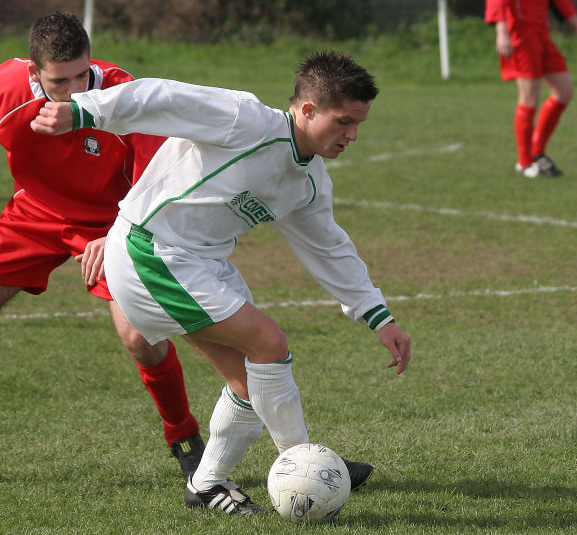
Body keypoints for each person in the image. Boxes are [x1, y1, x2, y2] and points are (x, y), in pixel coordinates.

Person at [31, 50, 411, 515]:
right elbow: (164, 97)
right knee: (269, 343)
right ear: (307, 110)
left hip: (199, 264)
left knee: (250, 380)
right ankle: (295, 465)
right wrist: (86, 110)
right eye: (343, 122)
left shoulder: (308, 182)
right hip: (150, 249)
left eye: (357, 126)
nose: (351, 136)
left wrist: (379, 316)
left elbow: (329, 249)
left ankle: (227, 481)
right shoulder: (245, 120)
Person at [0, 11, 204, 483]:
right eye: (59, 80)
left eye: (80, 75)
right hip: (34, 213)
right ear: (33, 73)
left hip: (115, 220)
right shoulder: (8, 86)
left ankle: (186, 439)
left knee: (140, 337)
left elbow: (157, 182)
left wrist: (111, 236)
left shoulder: (122, 95)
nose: (74, 90)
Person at [485, 0, 577, 178]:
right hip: (519, 32)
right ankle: (524, 163)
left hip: (541, 30)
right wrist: (501, 31)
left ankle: (537, 153)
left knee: (564, 91)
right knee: (529, 97)